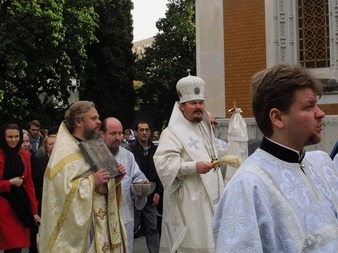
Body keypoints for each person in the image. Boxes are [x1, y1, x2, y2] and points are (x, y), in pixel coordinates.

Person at [212, 64, 338, 252]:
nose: (320, 113)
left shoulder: (322, 163)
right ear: (277, 117)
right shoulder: (248, 185)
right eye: (309, 106)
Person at [39, 101, 128, 252]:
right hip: (79, 233)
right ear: (78, 122)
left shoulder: (96, 146)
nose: (99, 122)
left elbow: (100, 188)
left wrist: (115, 180)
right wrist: (93, 181)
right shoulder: (64, 154)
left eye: (98, 117)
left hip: (99, 224)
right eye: (93, 118)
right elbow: (62, 194)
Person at [153, 74, 225, 253]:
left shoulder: (205, 128)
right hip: (190, 203)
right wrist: (194, 167)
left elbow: (214, 151)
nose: (199, 107)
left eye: (201, 102)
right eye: (193, 103)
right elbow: (163, 164)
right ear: (182, 106)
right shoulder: (171, 133)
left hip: (213, 200)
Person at [100, 117, 148, 253]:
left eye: (120, 133)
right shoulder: (93, 156)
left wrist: (141, 184)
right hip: (102, 218)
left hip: (124, 216)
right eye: (113, 133)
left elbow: (137, 177)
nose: (118, 137)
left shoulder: (128, 156)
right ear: (102, 134)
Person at [0, 123, 40, 253]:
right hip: (2, 207)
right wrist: (9, 183)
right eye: (10, 137)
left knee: (15, 248)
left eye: (16, 137)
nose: (13, 140)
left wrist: (34, 211)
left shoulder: (24, 155)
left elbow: (29, 185)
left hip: (18, 208)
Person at [126, 121, 163, 253]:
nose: (144, 133)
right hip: (133, 195)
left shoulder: (156, 150)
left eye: (147, 130)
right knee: (131, 227)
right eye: (141, 130)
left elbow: (160, 172)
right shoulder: (128, 151)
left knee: (152, 227)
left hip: (151, 194)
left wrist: (158, 191)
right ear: (135, 133)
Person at [21, 130, 44, 253]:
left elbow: (31, 184)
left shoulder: (32, 158)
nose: (26, 144)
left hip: (31, 200)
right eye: (23, 141)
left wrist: (34, 209)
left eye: (27, 141)